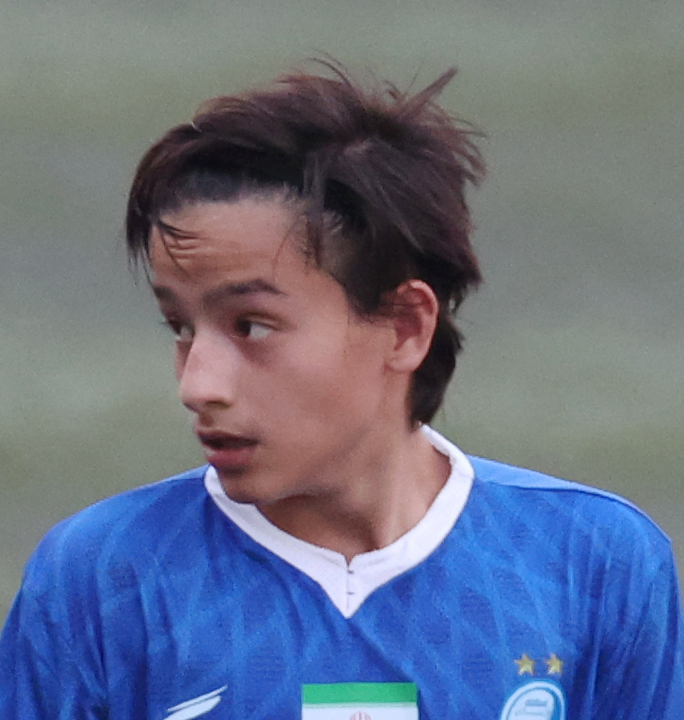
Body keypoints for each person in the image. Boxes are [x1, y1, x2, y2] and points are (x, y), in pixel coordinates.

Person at [1, 62, 682, 720]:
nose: (196, 384)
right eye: (180, 326)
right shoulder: (101, 581)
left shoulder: (594, 565)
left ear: (405, 326)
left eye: (251, 326)